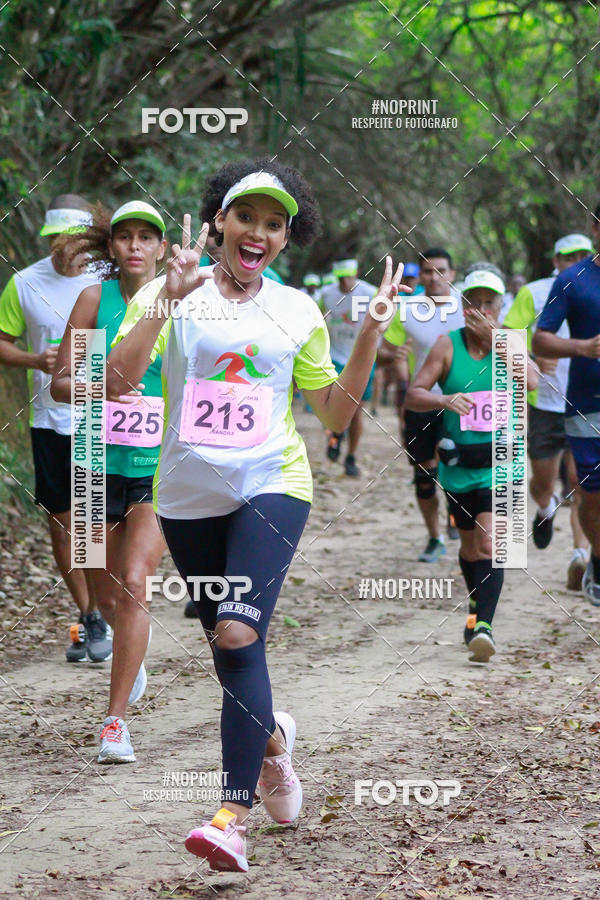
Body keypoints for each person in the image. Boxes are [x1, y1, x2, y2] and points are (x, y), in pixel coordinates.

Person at [106, 158, 409, 871]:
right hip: (185, 496)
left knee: (240, 636)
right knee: (226, 648)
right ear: (220, 223)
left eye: (275, 225)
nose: (260, 233)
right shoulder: (168, 290)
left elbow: (334, 412)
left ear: (283, 240)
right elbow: (116, 382)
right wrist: (163, 301)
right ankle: (272, 742)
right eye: (248, 217)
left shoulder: (298, 310)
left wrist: (368, 333)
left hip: (273, 483)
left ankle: (228, 818)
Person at [50, 200, 168, 761]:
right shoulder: (96, 300)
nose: (136, 246)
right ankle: (130, 654)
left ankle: (115, 723)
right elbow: (61, 386)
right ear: (113, 247)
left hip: (156, 471)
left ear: (163, 249)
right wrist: (105, 383)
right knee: (108, 593)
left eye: (148, 237)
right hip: (96, 461)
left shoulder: (179, 302)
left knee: (137, 582)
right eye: (126, 237)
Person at [0, 194, 111, 663]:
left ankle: (103, 612)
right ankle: (89, 615)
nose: (66, 246)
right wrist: (34, 359)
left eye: (75, 236)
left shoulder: (106, 284)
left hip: (97, 419)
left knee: (94, 523)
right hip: (47, 417)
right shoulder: (24, 283)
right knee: (62, 522)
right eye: (57, 237)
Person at [406, 269, 538, 660]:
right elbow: (414, 394)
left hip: (502, 462)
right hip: (459, 463)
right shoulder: (447, 346)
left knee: (490, 541)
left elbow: (531, 381)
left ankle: (484, 626)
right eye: (472, 302)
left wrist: (499, 340)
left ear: (500, 307)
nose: (480, 310)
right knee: (469, 547)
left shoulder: (510, 342)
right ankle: (476, 607)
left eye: (489, 303)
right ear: (462, 308)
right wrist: (442, 400)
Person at [504, 234, 592, 589]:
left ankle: (581, 558)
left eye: (582, 255)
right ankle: (545, 507)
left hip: (586, 401)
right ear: (555, 260)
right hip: (544, 404)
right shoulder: (535, 292)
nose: (575, 262)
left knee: (582, 482)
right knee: (541, 482)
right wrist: (529, 361)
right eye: (567, 256)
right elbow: (507, 338)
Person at [533, 206, 600, 606]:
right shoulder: (573, 279)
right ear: (595, 229)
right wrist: (582, 347)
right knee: (590, 498)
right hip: (586, 406)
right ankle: (598, 556)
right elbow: (541, 340)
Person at [379, 247, 464, 561]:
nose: (434, 277)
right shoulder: (407, 309)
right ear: (420, 276)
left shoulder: (466, 307)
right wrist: (393, 355)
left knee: (459, 469)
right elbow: (383, 351)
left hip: (462, 404)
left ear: (452, 275)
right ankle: (435, 537)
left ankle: (458, 520)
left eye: (441, 270)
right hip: (421, 402)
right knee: (424, 476)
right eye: (428, 271)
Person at [319, 258, 378, 476]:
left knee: (356, 410)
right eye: (341, 279)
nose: (346, 283)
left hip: (362, 357)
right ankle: (334, 437)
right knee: (329, 405)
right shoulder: (327, 294)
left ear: (357, 274)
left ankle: (351, 456)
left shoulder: (370, 293)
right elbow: (319, 317)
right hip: (335, 355)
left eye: (349, 278)